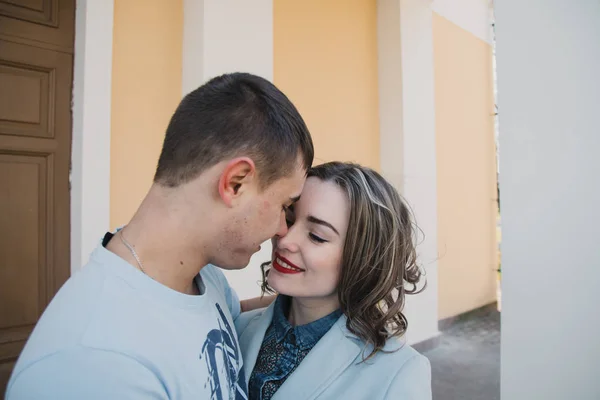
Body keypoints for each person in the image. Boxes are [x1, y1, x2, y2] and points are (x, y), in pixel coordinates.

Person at [6, 72, 313, 400]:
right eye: (285, 206)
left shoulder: (200, 274)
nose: (282, 229)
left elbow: (231, 316)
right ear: (236, 183)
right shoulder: (95, 364)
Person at [235, 162, 432, 400]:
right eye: (288, 218)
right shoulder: (235, 327)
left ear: (363, 259)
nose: (285, 240)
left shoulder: (398, 373)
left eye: (316, 236)